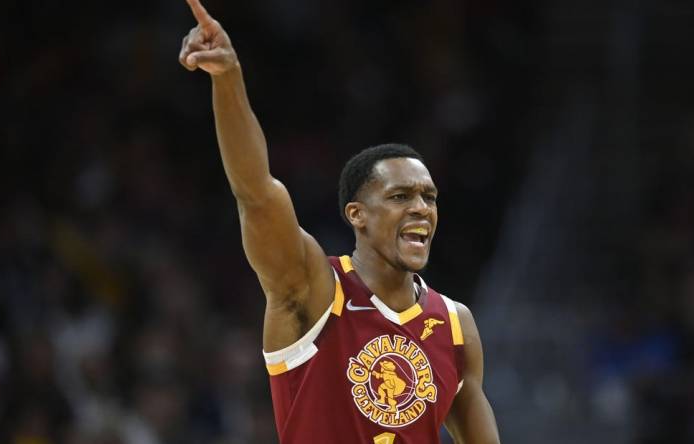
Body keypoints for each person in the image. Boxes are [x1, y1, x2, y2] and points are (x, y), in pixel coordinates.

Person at [178, 0, 502, 442]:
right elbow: (256, 193)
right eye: (400, 196)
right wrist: (228, 79)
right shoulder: (313, 288)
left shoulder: (455, 324)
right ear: (357, 215)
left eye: (429, 197)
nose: (421, 208)